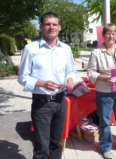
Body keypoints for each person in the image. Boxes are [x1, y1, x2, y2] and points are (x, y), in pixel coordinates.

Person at [18, 12, 78, 159]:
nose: (51, 27)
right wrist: (41, 83)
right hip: (42, 103)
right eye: (48, 24)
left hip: (60, 101)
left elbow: (71, 71)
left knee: (56, 143)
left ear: (59, 27)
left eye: (54, 24)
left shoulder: (66, 49)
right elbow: (22, 77)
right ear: (41, 27)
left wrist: (70, 79)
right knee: (41, 148)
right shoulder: (31, 49)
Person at [87, 23, 116, 159]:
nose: (111, 36)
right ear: (103, 36)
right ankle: (106, 147)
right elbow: (90, 72)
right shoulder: (96, 53)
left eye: (114, 34)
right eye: (108, 33)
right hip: (104, 93)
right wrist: (103, 78)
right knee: (105, 121)